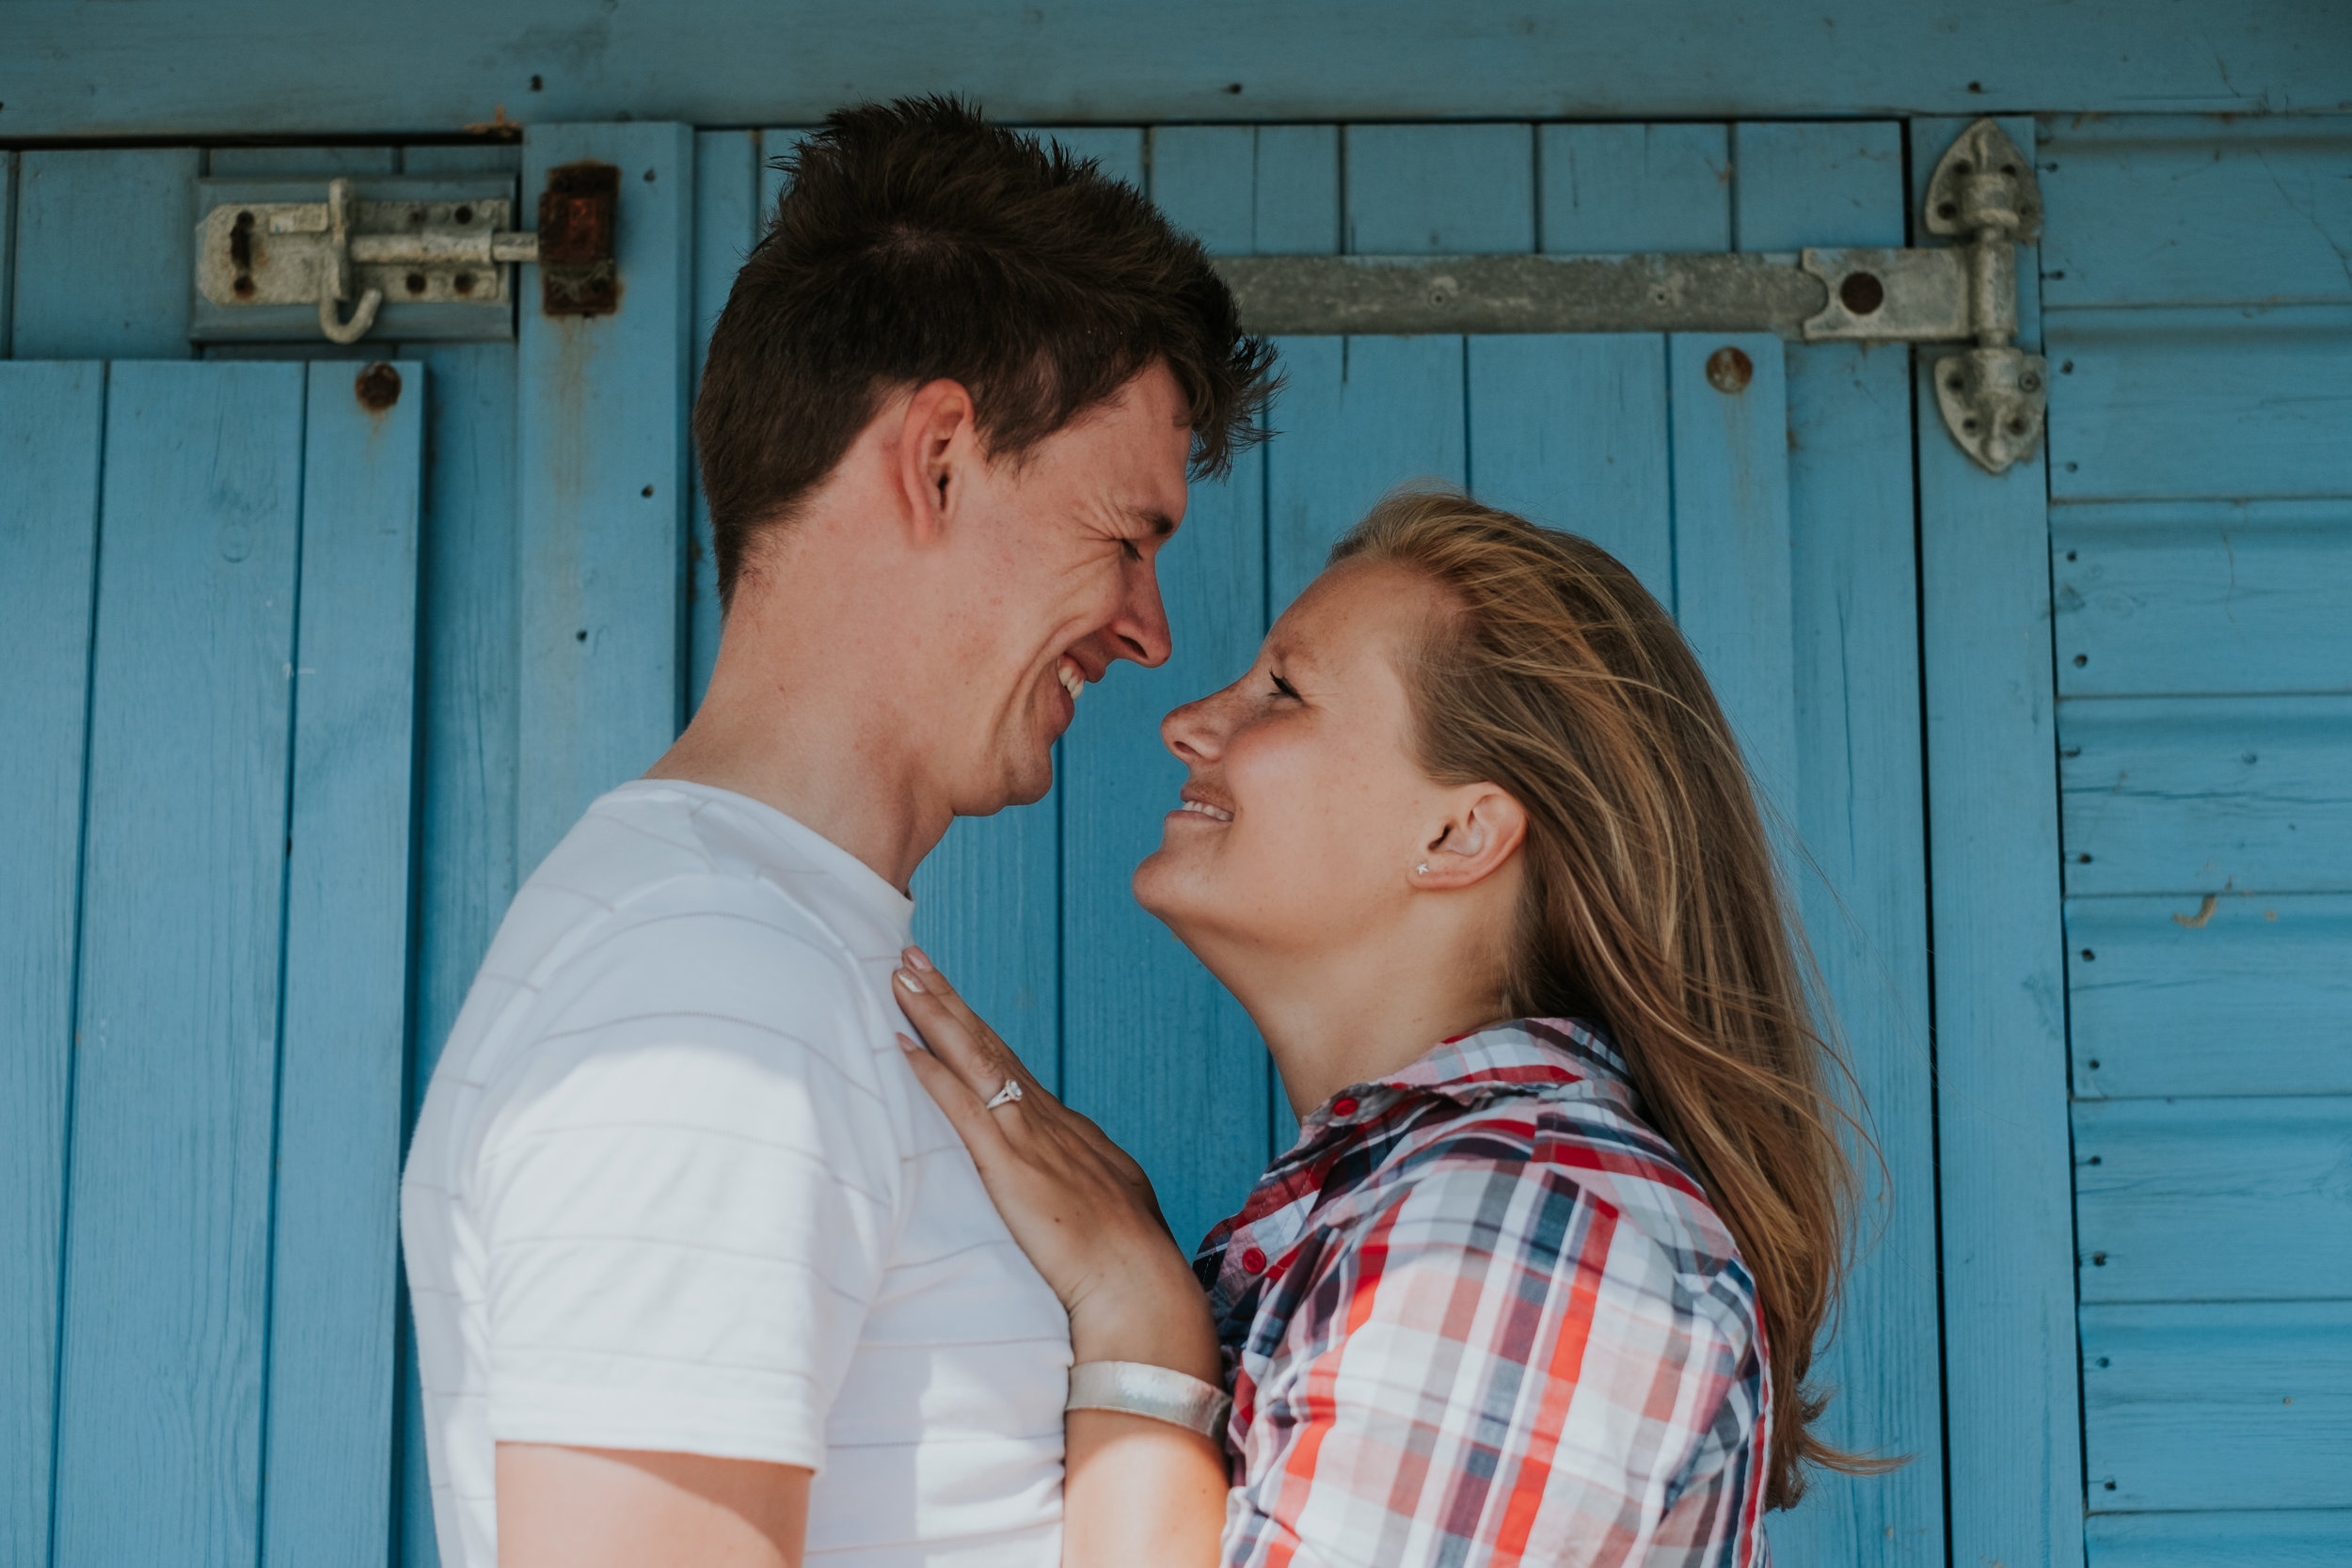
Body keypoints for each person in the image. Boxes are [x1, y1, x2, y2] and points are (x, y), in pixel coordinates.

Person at [399, 97, 1275, 1568]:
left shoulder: (760, 954)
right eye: (1124, 537)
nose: (1149, 628)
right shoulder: (706, 994)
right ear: (937, 456)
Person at [895, 489, 1876, 1567]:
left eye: (1283, 688)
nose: (1191, 722)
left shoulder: (1516, 1227)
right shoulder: (1435, 1201)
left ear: (1459, 832)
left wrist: (1137, 1309)